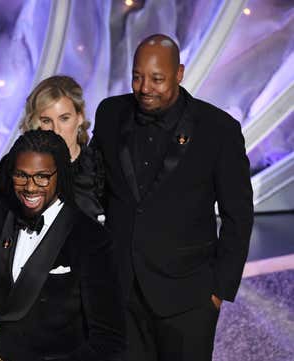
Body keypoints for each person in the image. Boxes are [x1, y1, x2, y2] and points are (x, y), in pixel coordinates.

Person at [90, 34, 254, 361]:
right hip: (122, 290)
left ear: (179, 74)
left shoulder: (218, 129)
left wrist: (218, 291)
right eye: (137, 76)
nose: (144, 87)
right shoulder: (110, 113)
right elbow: (95, 185)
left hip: (189, 299)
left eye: (157, 79)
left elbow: (239, 215)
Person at [0, 130, 125, 361]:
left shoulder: (90, 237)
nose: (30, 187)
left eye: (42, 176)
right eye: (21, 175)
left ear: (60, 175)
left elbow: (108, 338)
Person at [0, 75, 104, 219]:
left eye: (64, 118)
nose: (56, 130)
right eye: (46, 120)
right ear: (35, 123)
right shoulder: (12, 166)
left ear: (79, 117)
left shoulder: (98, 168)